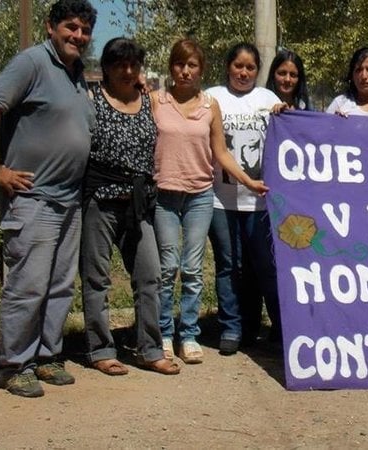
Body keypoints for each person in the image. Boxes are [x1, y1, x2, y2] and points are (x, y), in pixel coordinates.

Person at [0, 0, 97, 397]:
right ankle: (14, 365)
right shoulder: (31, 63)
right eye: (71, 27)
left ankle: (46, 356)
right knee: (28, 285)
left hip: (68, 199)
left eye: (84, 30)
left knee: (59, 286)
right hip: (32, 197)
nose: (78, 35)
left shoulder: (77, 75)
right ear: (50, 27)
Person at [152, 39, 267, 364]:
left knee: (192, 269)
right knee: (167, 268)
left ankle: (188, 335)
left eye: (192, 65)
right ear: (172, 67)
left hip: (201, 197)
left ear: (201, 70)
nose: (185, 71)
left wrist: (248, 181)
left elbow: (221, 153)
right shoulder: (156, 100)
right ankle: (163, 334)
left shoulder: (210, 105)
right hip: (164, 196)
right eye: (180, 64)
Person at [80, 37, 179, 376]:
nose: (127, 70)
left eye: (133, 64)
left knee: (150, 276)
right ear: (106, 68)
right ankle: (101, 349)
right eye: (119, 64)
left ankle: (150, 349)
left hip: (138, 204)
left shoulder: (148, 100)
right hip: (99, 201)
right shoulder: (91, 99)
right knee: (97, 279)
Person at [206, 43, 286, 356]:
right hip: (220, 200)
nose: (243, 72)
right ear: (228, 66)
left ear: (258, 71)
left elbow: (290, 132)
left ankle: (283, 325)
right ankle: (231, 327)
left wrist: (285, 112)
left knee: (266, 266)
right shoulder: (212, 97)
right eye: (238, 66)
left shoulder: (268, 99)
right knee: (229, 266)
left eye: (250, 67)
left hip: (260, 203)